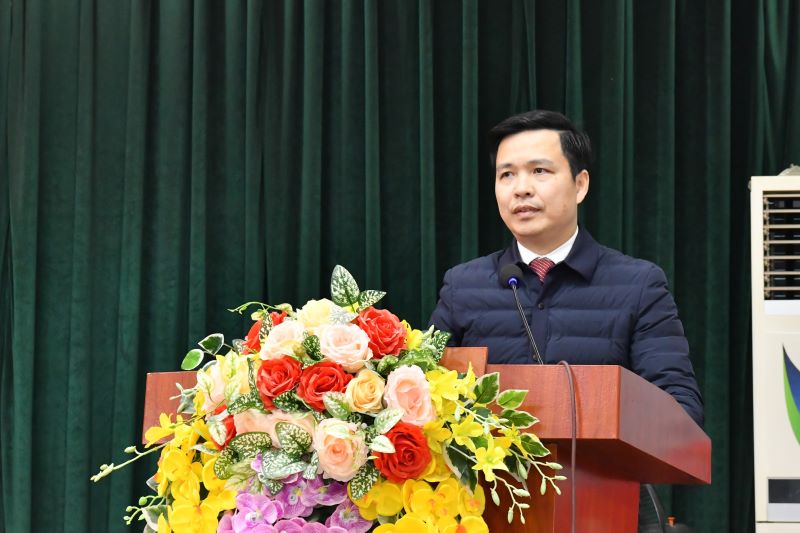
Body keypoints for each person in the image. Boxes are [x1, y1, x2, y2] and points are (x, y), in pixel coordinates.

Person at [429, 110, 704, 427]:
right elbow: (426, 396)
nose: (521, 188)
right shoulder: (462, 286)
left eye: (539, 171)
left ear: (580, 185)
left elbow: (680, 410)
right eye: (507, 175)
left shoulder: (639, 285)